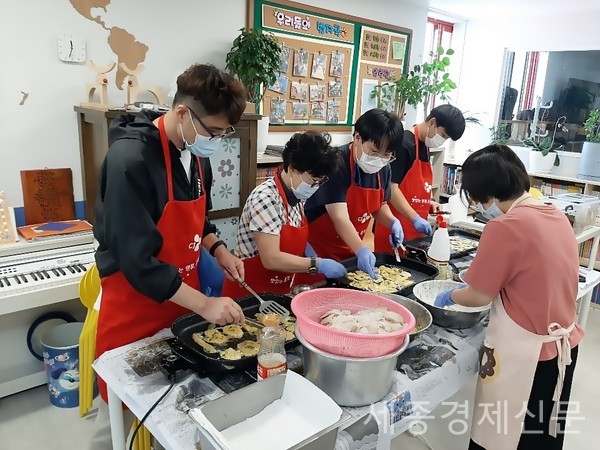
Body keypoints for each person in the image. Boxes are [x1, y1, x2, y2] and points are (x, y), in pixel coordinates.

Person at [90, 64, 246, 449]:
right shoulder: (131, 159)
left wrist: (218, 248)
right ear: (181, 114)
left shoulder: (196, 154)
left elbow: (199, 218)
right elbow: (138, 262)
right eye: (215, 130)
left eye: (226, 133)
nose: (218, 140)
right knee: (136, 406)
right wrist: (206, 304)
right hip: (135, 305)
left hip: (180, 302)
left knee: (180, 406)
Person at [433, 145, 584, 450]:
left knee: (504, 435)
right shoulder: (553, 214)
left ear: (485, 194)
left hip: (527, 358)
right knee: (542, 436)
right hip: (563, 348)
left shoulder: (505, 226)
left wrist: (447, 295)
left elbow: (477, 295)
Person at [222, 131, 346, 298]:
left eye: (320, 182)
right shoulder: (266, 198)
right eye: (313, 181)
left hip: (278, 289)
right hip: (250, 293)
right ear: (292, 168)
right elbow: (271, 258)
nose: (316, 187)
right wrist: (317, 264)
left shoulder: (297, 196)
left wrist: (307, 250)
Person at [304, 109, 405, 279]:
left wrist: (393, 222)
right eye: (374, 151)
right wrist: (362, 249)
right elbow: (339, 218)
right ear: (357, 137)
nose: (380, 158)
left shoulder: (384, 168)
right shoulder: (337, 163)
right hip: (320, 253)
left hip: (350, 251)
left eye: (386, 154)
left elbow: (379, 206)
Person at [374, 105, 465, 251]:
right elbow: (391, 188)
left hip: (414, 233)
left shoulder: (424, 145)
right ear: (432, 123)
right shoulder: (404, 144)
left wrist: (426, 202)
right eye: (444, 135)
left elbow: (413, 187)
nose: (443, 140)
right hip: (395, 229)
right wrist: (414, 217)